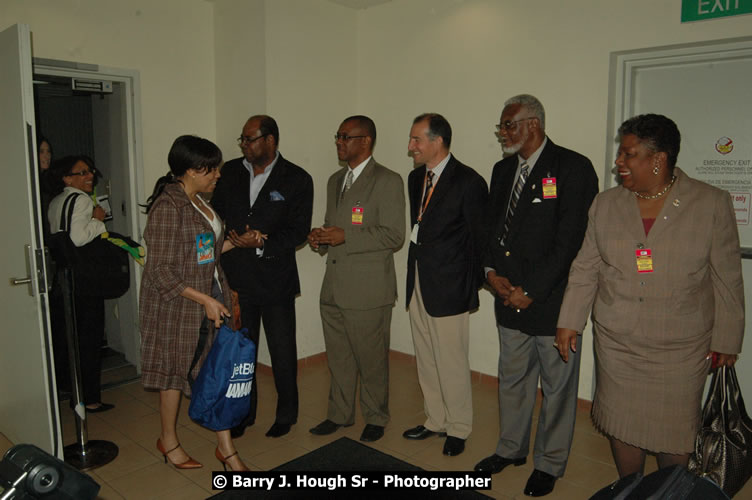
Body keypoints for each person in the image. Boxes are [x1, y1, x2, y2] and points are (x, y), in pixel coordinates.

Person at [556, 113, 744, 478]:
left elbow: (727, 279)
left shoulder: (710, 203)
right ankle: (630, 487)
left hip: (679, 348)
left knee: (672, 435)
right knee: (622, 425)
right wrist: (569, 321)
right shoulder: (606, 204)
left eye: (628, 154)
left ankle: (666, 489)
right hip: (618, 342)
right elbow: (586, 267)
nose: (618, 162)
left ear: (658, 159)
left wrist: (728, 339)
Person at [474, 94, 599, 497]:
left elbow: (571, 242)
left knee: (558, 389)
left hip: (552, 303)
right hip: (507, 298)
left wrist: (532, 289)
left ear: (533, 124)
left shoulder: (573, 167)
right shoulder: (501, 169)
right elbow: (491, 229)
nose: (503, 133)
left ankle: (549, 463)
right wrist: (491, 273)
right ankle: (510, 449)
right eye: (502, 126)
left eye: (508, 125)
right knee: (512, 380)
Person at [140, 135, 248, 471]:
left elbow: (205, 254)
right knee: (174, 376)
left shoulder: (200, 202)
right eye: (210, 169)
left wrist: (237, 245)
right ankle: (168, 441)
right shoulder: (168, 206)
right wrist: (203, 298)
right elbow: (159, 269)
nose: (217, 175)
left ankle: (226, 450)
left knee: (217, 373)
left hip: (209, 298)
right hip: (176, 307)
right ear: (189, 170)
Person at [212, 115, 313, 439]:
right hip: (237, 279)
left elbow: (298, 231)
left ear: (270, 140)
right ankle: (244, 413)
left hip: (276, 280)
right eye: (241, 139)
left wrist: (263, 242)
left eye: (250, 139)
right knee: (242, 353)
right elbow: (215, 214)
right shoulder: (228, 172)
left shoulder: (297, 178)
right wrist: (228, 237)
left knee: (282, 352)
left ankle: (286, 414)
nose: (244, 145)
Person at [307, 115, 405, 443]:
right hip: (333, 286)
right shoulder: (336, 180)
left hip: (368, 290)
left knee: (372, 359)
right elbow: (334, 225)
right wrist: (320, 238)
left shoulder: (387, 180)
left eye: (345, 136)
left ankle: (376, 416)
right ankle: (340, 414)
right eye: (338, 136)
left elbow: (393, 235)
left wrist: (344, 235)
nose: (339, 142)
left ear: (366, 141)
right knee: (339, 357)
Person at [403, 113, 488, 457]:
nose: (410, 147)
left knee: (451, 360)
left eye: (416, 140)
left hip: (451, 287)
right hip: (419, 281)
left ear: (437, 142)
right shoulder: (414, 179)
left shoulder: (469, 181)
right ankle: (435, 419)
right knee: (426, 357)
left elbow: (480, 240)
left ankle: (459, 427)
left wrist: (469, 288)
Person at [47, 155, 114, 413]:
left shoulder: (55, 201)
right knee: (89, 337)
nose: (89, 177)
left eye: (90, 171)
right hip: (86, 280)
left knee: (69, 337)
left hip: (65, 279)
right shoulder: (83, 200)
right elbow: (77, 238)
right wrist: (98, 218)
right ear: (67, 178)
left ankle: (71, 389)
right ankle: (91, 399)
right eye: (82, 172)